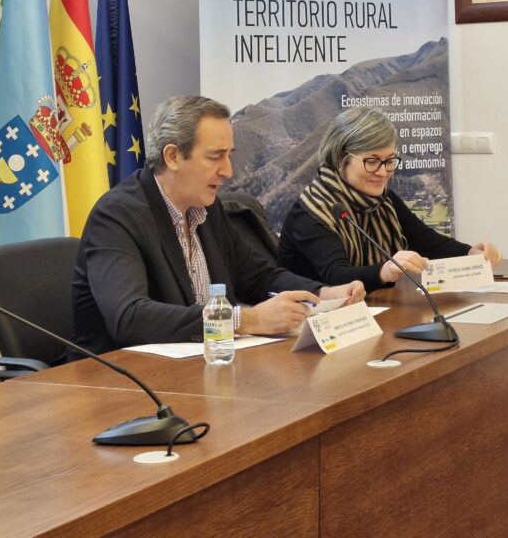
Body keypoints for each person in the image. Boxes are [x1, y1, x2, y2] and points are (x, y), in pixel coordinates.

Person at [70, 95, 365, 354]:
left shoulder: (207, 208)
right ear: (172, 156)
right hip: (122, 386)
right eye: (215, 157)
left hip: (204, 366)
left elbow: (258, 277)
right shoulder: (117, 216)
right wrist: (246, 320)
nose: (228, 171)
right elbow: (130, 318)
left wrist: (324, 294)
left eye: (229, 155)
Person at [277, 107, 503, 293]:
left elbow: (427, 243)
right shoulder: (313, 211)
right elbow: (336, 276)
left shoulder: (383, 199)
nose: (383, 172)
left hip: (373, 310)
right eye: (372, 161)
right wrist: (384, 271)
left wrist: (471, 254)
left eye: (389, 161)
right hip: (315, 324)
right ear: (340, 158)